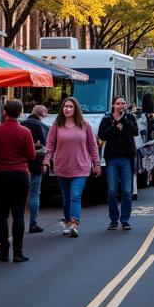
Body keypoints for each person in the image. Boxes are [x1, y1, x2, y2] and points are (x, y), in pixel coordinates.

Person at [0, 98, 36, 262]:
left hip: (0, 174)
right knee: (18, 215)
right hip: (20, 174)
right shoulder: (25, 132)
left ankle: (3, 251)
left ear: (4, 112)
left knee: (1, 214)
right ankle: (18, 252)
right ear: (21, 113)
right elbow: (31, 155)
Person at [45, 97, 100, 238]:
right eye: (65, 106)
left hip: (80, 167)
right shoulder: (56, 125)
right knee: (66, 197)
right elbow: (50, 146)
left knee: (75, 196)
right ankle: (68, 222)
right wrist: (46, 161)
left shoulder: (84, 125)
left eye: (70, 107)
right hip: (62, 166)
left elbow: (92, 147)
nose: (67, 109)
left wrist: (96, 163)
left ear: (75, 109)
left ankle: (74, 223)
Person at [98, 96, 139, 230]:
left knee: (127, 191)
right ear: (113, 105)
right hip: (112, 159)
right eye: (118, 103)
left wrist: (124, 121)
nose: (121, 105)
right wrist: (115, 125)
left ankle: (125, 220)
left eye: (123, 103)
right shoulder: (106, 119)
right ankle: (113, 219)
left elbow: (135, 132)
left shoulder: (130, 118)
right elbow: (102, 135)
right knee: (111, 191)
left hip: (127, 158)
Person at [23, 105, 50, 234]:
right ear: (43, 114)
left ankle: (19, 222)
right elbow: (47, 146)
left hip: (21, 164)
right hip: (36, 163)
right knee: (34, 194)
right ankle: (33, 223)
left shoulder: (21, 125)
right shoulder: (42, 127)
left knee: (20, 195)